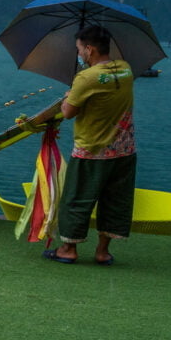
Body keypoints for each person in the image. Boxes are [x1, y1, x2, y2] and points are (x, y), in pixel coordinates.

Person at [41, 25, 136, 266]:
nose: (79, 53)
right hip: (124, 149)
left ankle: (68, 249)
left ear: (89, 49)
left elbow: (69, 113)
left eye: (79, 49)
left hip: (92, 150)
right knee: (115, 200)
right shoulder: (126, 70)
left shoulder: (86, 78)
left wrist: (68, 97)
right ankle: (103, 252)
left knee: (77, 199)